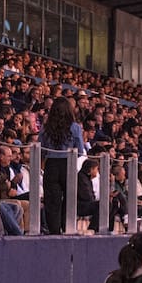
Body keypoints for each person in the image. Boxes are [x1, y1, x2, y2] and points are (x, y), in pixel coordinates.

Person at [39, 96, 84, 235]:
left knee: (52, 200)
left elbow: (41, 149)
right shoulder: (75, 127)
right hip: (68, 164)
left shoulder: (46, 128)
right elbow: (80, 150)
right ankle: (67, 228)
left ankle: (54, 231)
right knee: (70, 199)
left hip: (51, 165)